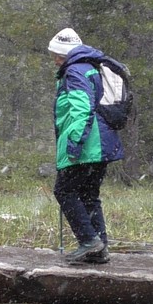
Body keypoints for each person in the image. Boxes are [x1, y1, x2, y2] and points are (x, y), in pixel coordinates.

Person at [48, 28, 124, 263]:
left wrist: (74, 144)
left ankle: (90, 241)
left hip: (88, 146)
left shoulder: (74, 71)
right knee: (89, 195)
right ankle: (100, 249)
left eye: (56, 55)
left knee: (64, 191)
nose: (54, 60)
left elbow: (82, 110)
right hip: (101, 145)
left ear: (64, 54)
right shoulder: (91, 67)